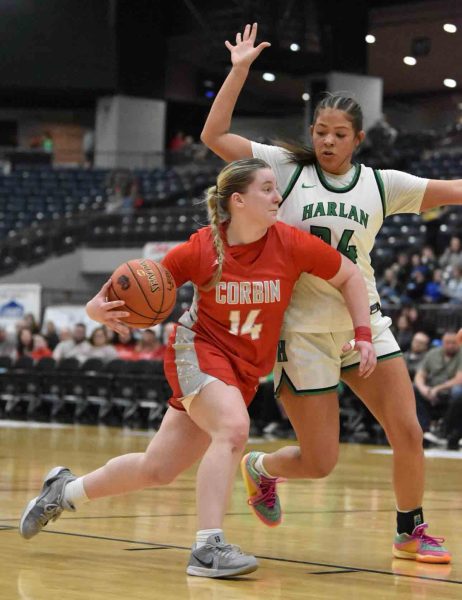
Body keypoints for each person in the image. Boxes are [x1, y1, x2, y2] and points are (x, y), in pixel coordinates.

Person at [18, 158, 375, 579]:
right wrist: (96, 307)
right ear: (238, 201)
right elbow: (138, 282)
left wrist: (364, 333)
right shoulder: (202, 247)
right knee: (232, 429)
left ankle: (64, 491)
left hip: (243, 370)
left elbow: (350, 275)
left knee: (158, 469)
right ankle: (208, 547)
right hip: (199, 351)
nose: (278, 196)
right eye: (267, 189)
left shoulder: (291, 244)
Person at [200, 23, 457, 563]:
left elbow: (455, 191)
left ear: (358, 139)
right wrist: (239, 69)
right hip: (302, 333)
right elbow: (214, 134)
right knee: (320, 463)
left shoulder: (383, 184)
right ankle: (260, 468)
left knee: (408, 430)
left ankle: (410, 529)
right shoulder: (284, 168)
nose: (328, 141)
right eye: (321, 131)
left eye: (340, 134)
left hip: (365, 322)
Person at [414, 331, 462, 450]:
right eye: (447, 342)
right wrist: (423, 388)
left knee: (458, 392)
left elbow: (459, 379)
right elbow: (420, 375)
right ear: (442, 342)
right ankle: (424, 428)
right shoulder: (433, 353)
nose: (450, 345)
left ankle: (443, 430)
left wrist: (437, 389)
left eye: (453, 343)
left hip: (450, 390)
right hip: (431, 390)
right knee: (413, 388)